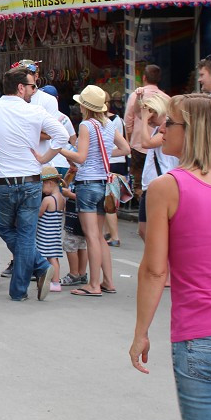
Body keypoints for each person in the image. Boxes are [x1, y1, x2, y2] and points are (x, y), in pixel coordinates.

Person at [130, 94, 211, 420]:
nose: (161, 129)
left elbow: (155, 271)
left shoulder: (168, 187)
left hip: (200, 336)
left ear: (192, 132)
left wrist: (141, 332)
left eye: (169, 123)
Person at [0, 67, 69, 302]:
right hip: (31, 182)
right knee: (26, 235)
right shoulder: (35, 111)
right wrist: (45, 159)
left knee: (4, 227)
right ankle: (30, 277)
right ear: (20, 88)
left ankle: (38, 268)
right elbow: (62, 135)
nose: (33, 90)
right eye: (31, 86)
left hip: (6, 183)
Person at [38, 84, 130, 298]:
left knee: (91, 237)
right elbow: (125, 149)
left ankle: (94, 284)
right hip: (104, 184)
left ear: (85, 107)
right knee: (98, 236)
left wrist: (58, 147)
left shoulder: (87, 126)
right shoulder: (109, 124)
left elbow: (80, 157)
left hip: (88, 184)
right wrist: (105, 153)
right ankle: (108, 281)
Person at [136, 92, 179, 243]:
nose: (148, 121)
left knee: (153, 231)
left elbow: (146, 143)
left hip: (159, 183)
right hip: (150, 184)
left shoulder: (166, 130)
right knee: (143, 229)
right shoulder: (158, 129)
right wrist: (138, 99)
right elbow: (138, 113)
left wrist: (145, 120)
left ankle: (159, 259)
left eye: (151, 117)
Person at [125, 64, 168, 196]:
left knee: (137, 181)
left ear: (144, 77)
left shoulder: (135, 95)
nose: (149, 119)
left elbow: (128, 121)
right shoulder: (166, 98)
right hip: (153, 152)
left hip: (138, 145)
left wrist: (129, 140)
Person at [36, 166, 65, 294]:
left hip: (44, 234)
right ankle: (56, 282)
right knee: (54, 258)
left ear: (50, 183)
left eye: (42, 186)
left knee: (42, 257)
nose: (42, 189)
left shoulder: (47, 200)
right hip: (55, 233)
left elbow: (39, 214)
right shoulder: (62, 199)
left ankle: (43, 278)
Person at [105, 92, 128, 247]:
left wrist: (105, 153)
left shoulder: (105, 122)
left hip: (111, 162)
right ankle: (110, 233)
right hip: (120, 161)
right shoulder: (120, 120)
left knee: (109, 201)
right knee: (112, 199)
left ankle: (114, 236)